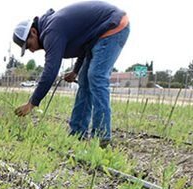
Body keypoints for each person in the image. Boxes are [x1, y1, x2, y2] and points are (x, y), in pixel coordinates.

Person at [12, 1, 129, 145]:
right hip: (98, 35)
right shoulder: (52, 27)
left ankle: (102, 137)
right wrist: (75, 71)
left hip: (113, 26)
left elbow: (50, 71)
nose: (32, 50)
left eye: (29, 45)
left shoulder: (51, 31)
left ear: (33, 32)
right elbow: (85, 43)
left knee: (96, 76)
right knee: (85, 81)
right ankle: (77, 133)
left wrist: (32, 103)